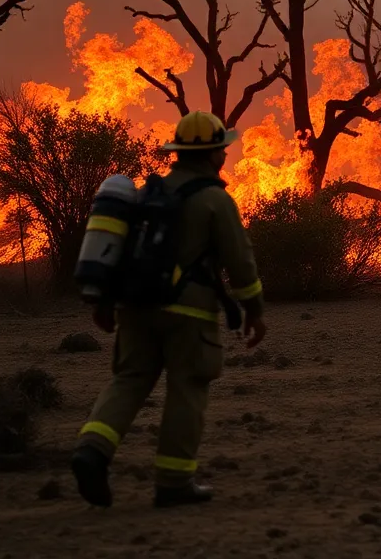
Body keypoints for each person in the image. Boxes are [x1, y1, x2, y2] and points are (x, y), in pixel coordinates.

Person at [71, 111, 267, 508]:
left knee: (129, 380)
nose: (225, 156)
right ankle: (174, 483)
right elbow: (240, 261)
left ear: (178, 152)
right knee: (187, 389)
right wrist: (254, 310)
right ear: (214, 154)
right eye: (222, 150)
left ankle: (91, 450)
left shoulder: (146, 194)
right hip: (189, 315)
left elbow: (121, 249)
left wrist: (105, 302)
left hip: (136, 307)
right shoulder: (215, 199)